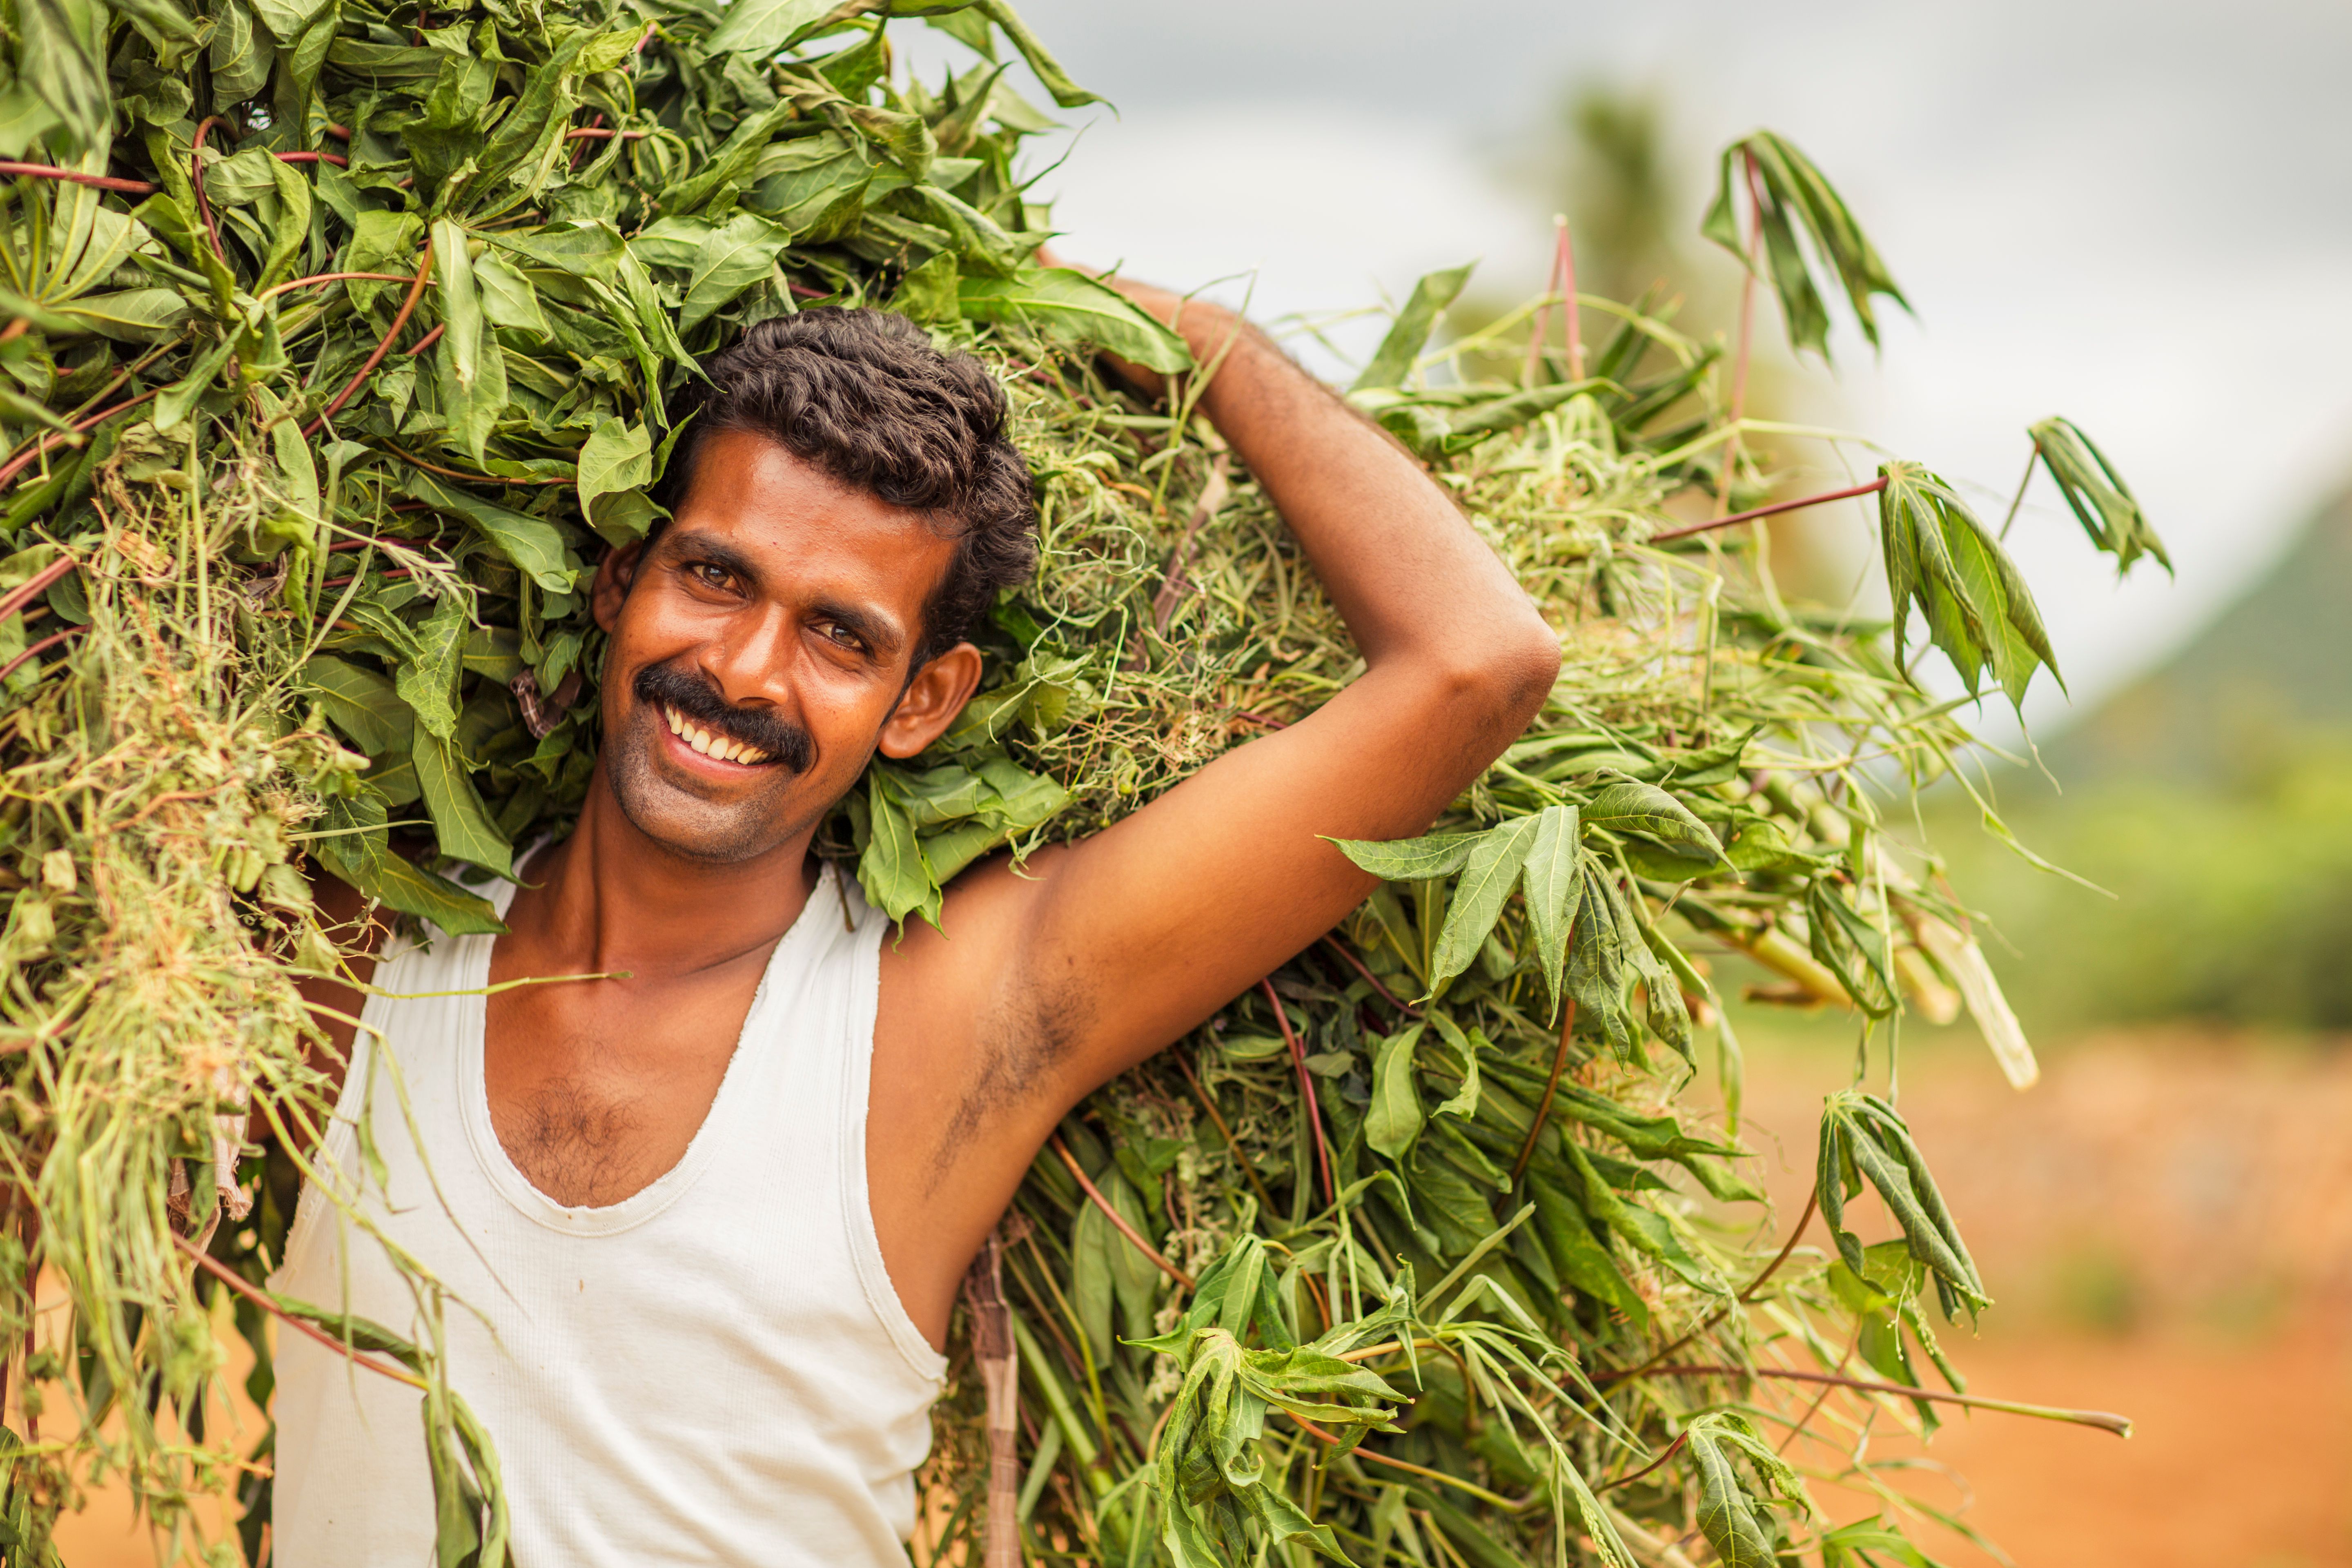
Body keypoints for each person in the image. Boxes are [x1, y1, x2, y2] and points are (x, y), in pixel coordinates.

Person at [273, 277, 1561, 1564]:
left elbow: (1477, 664)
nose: (743, 669)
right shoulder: (355, 947)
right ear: (620, 580)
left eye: (840, 637)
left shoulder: (942, 1026)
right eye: (717, 575)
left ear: (925, 702)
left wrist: (1201, 338)